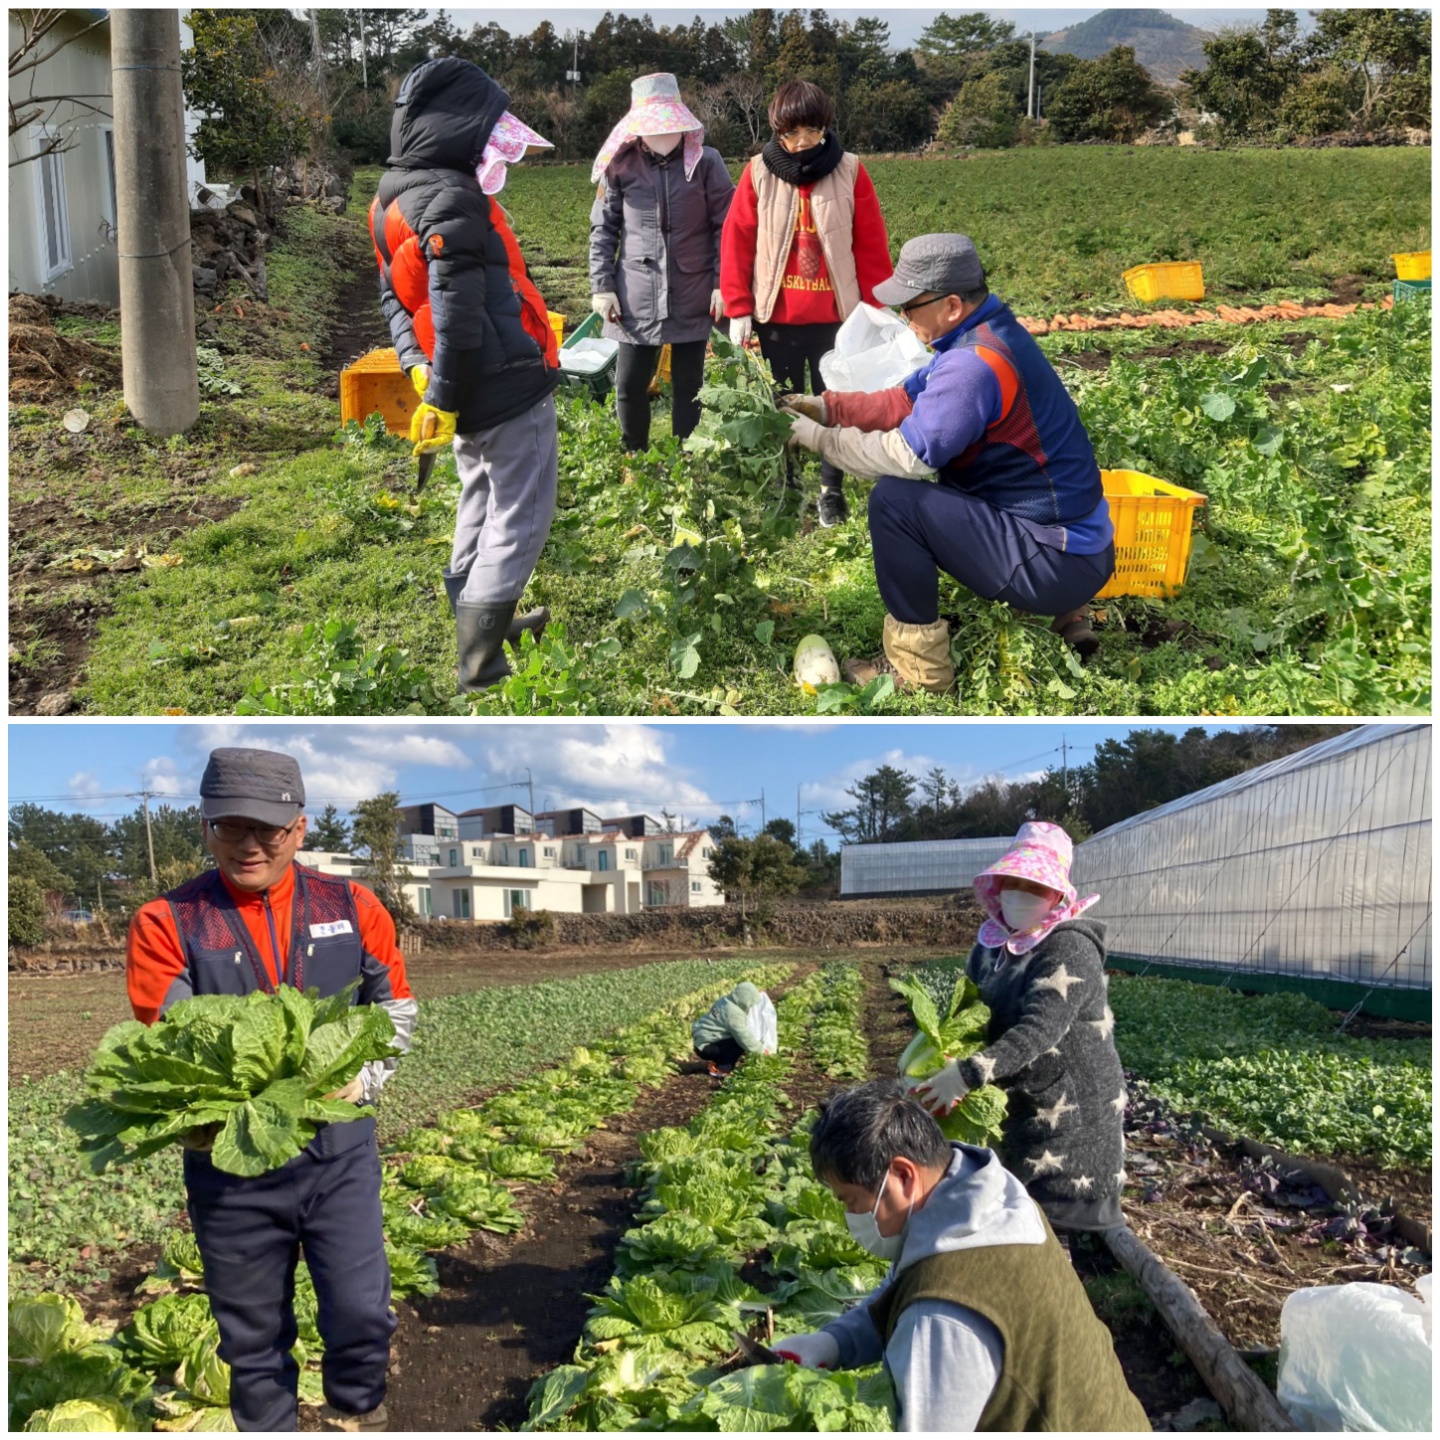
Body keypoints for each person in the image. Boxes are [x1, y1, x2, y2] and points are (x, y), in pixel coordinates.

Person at [126, 748, 418, 1433]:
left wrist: (366, 1075)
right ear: (205, 828)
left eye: (267, 829)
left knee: (360, 1311)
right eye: (230, 827)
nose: (249, 844)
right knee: (251, 1344)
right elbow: (168, 1043)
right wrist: (201, 1115)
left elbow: (394, 1009)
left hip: (337, 1152)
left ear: (300, 828)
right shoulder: (166, 922)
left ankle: (357, 1409)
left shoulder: (352, 905)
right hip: (234, 1170)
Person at [784, 234, 1116, 693]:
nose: (903, 317)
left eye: (910, 305)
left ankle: (920, 670)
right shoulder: (986, 335)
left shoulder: (973, 366)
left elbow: (907, 457)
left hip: (1056, 564)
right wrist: (825, 407)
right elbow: (902, 399)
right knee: (951, 482)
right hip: (1083, 550)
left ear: (952, 305)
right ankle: (1070, 616)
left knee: (895, 503)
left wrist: (820, 440)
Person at [774, 1081, 1149, 1432]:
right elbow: (903, 1286)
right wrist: (834, 1343)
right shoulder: (993, 1200)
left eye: (851, 1201)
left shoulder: (940, 1318)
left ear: (903, 1176)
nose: (850, 1218)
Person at [371, 58, 560, 692]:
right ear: (459, 128)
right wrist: (445, 391)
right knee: (522, 511)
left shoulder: (389, 200)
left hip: (459, 387)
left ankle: (479, 620)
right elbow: (455, 312)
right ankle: (480, 660)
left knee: (479, 495)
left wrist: (420, 371)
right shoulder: (453, 197)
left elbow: (395, 302)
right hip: (503, 384)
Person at [909, 821, 1129, 1237]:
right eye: (1013, 882)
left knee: (1062, 1228)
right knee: (1021, 1217)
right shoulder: (991, 948)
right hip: (1022, 1102)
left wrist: (967, 1074)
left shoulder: (1069, 946)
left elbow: (1039, 1030)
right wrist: (947, 1060)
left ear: (1058, 894)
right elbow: (970, 1017)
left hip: (1071, 1116)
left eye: (1035, 886)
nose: (1020, 893)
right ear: (997, 886)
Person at [719, 80, 893, 528]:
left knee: (831, 402)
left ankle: (829, 490)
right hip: (777, 315)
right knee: (783, 401)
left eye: (811, 132)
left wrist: (878, 304)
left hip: (836, 318)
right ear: (778, 132)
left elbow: (870, 242)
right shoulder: (758, 171)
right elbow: (738, 240)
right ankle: (787, 480)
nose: (802, 143)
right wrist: (738, 305)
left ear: (825, 128)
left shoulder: (850, 170)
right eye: (791, 133)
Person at [589, 74, 734, 467]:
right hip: (635, 292)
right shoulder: (620, 164)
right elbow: (603, 228)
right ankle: (635, 457)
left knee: (689, 384)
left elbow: (727, 226)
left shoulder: (707, 162)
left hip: (694, 288)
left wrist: (724, 284)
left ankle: (686, 460)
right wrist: (602, 285)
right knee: (630, 383)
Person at [690, 980, 777, 1075]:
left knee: (732, 1040)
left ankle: (717, 1062)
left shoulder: (725, 1001)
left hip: (700, 1042)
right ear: (745, 1000)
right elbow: (744, 1037)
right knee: (738, 1044)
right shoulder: (734, 1013)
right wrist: (761, 1050)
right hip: (706, 1047)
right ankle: (722, 1068)